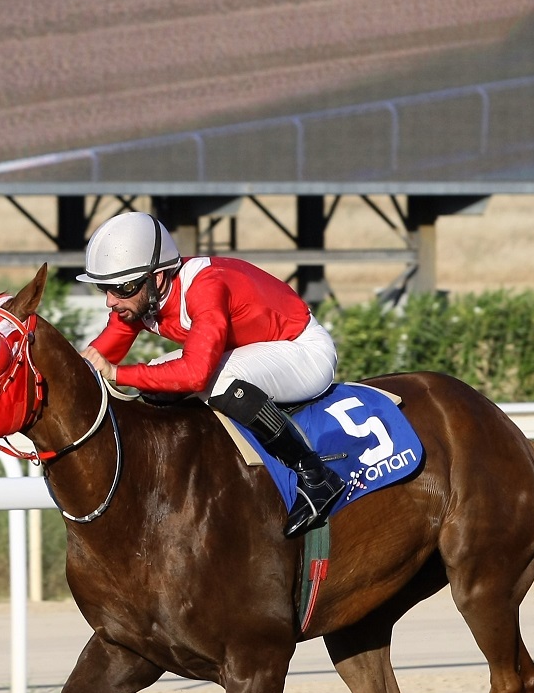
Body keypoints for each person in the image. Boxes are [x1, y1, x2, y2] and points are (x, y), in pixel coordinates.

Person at [75, 212, 347, 537]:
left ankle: (316, 475)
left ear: (157, 278)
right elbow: (94, 362)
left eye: (120, 288)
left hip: (303, 351)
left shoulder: (206, 287)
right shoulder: (140, 297)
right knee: (158, 384)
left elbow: (195, 375)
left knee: (215, 378)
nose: (110, 301)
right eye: (103, 288)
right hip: (256, 350)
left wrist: (119, 373)